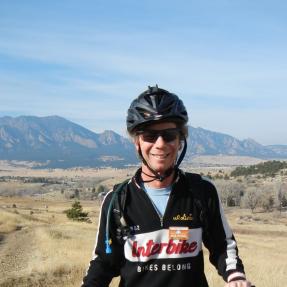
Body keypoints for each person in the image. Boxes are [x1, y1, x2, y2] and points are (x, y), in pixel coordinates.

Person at [82, 86, 253, 287]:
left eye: (169, 135)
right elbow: (104, 261)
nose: (160, 144)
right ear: (137, 142)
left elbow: (222, 246)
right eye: (149, 135)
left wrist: (235, 276)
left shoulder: (201, 191)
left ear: (180, 140)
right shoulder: (118, 199)